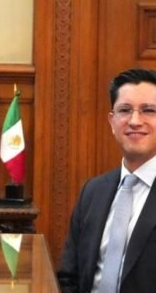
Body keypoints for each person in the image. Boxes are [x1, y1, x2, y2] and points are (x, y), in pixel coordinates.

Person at [58, 68, 156, 293]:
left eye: (149, 110)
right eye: (125, 110)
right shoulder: (92, 191)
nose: (135, 121)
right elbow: (68, 277)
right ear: (112, 121)